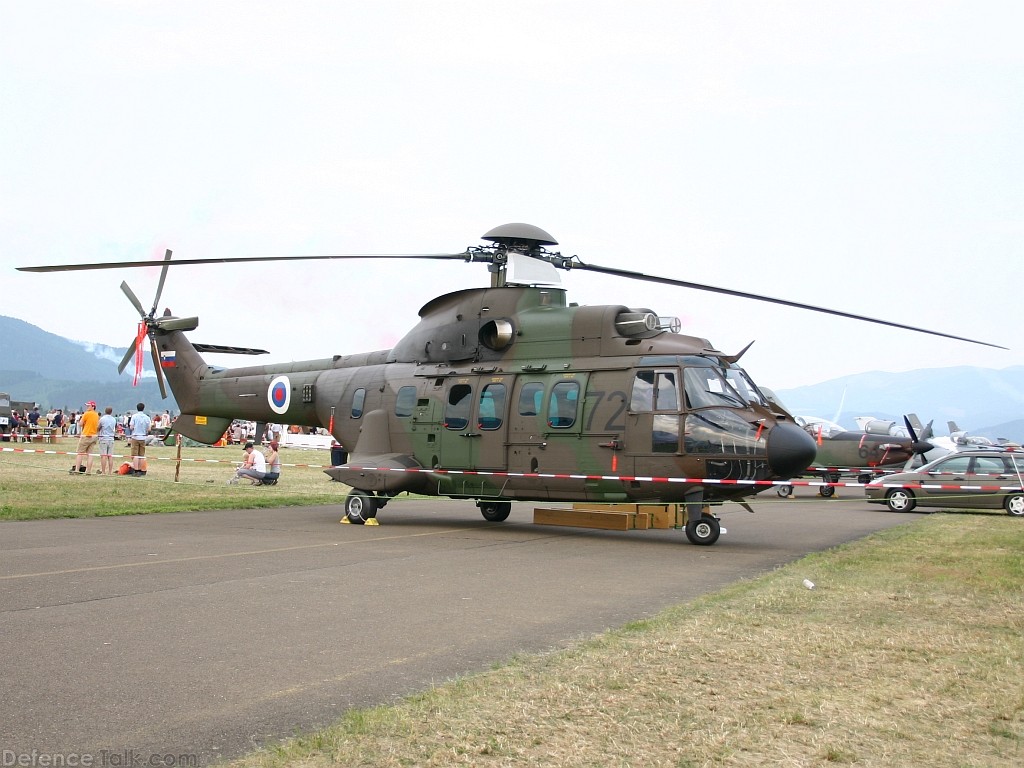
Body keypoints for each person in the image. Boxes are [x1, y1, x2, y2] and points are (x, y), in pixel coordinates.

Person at [70, 401, 99, 474]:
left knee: (80, 453)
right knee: (90, 454)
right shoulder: (96, 415)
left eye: (88, 406)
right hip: (94, 436)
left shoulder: (86, 414)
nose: (87, 407)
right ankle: (88, 471)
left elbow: (80, 424)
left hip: (86, 435)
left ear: (93, 407)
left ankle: (77, 470)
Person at [128, 402, 152, 476]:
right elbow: (149, 429)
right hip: (143, 437)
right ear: (143, 408)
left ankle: (136, 470)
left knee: (135, 455)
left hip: (135, 436)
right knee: (141, 455)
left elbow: (131, 427)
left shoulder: (134, 416)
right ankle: (142, 470)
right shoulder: (147, 417)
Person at [97, 406, 117, 475]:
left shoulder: (102, 419)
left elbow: (98, 427)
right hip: (111, 438)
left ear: (105, 411)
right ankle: (110, 471)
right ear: (111, 412)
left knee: (103, 456)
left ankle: (103, 471)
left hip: (103, 438)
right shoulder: (114, 419)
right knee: (110, 456)